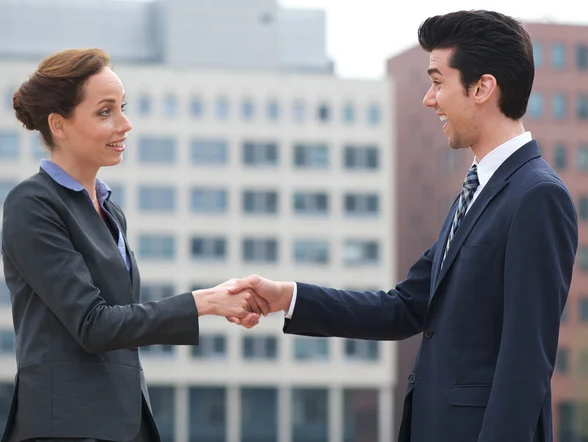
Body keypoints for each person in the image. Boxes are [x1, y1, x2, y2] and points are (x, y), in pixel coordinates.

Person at [225, 10, 579, 442]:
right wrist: (288, 296)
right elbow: (404, 307)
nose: (429, 100)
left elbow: (525, 362)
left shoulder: (537, 196)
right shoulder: (475, 192)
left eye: (437, 82)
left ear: (482, 87)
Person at [0, 48, 266, 442]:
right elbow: (94, 325)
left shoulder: (109, 210)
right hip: (67, 428)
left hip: (122, 423)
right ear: (59, 124)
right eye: (105, 112)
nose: (125, 124)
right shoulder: (33, 203)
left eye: (122, 107)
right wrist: (203, 302)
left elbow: (121, 320)